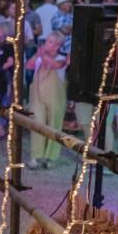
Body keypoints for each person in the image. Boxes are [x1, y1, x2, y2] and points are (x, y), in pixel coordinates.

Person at [25, 31, 69, 170]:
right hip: (37, 98)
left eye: (50, 42)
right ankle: (36, 157)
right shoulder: (39, 58)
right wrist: (37, 55)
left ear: (57, 46)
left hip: (56, 98)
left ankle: (50, 158)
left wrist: (43, 55)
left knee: (54, 126)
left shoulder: (62, 58)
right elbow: (28, 65)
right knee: (37, 124)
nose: (46, 44)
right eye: (47, 41)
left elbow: (56, 65)